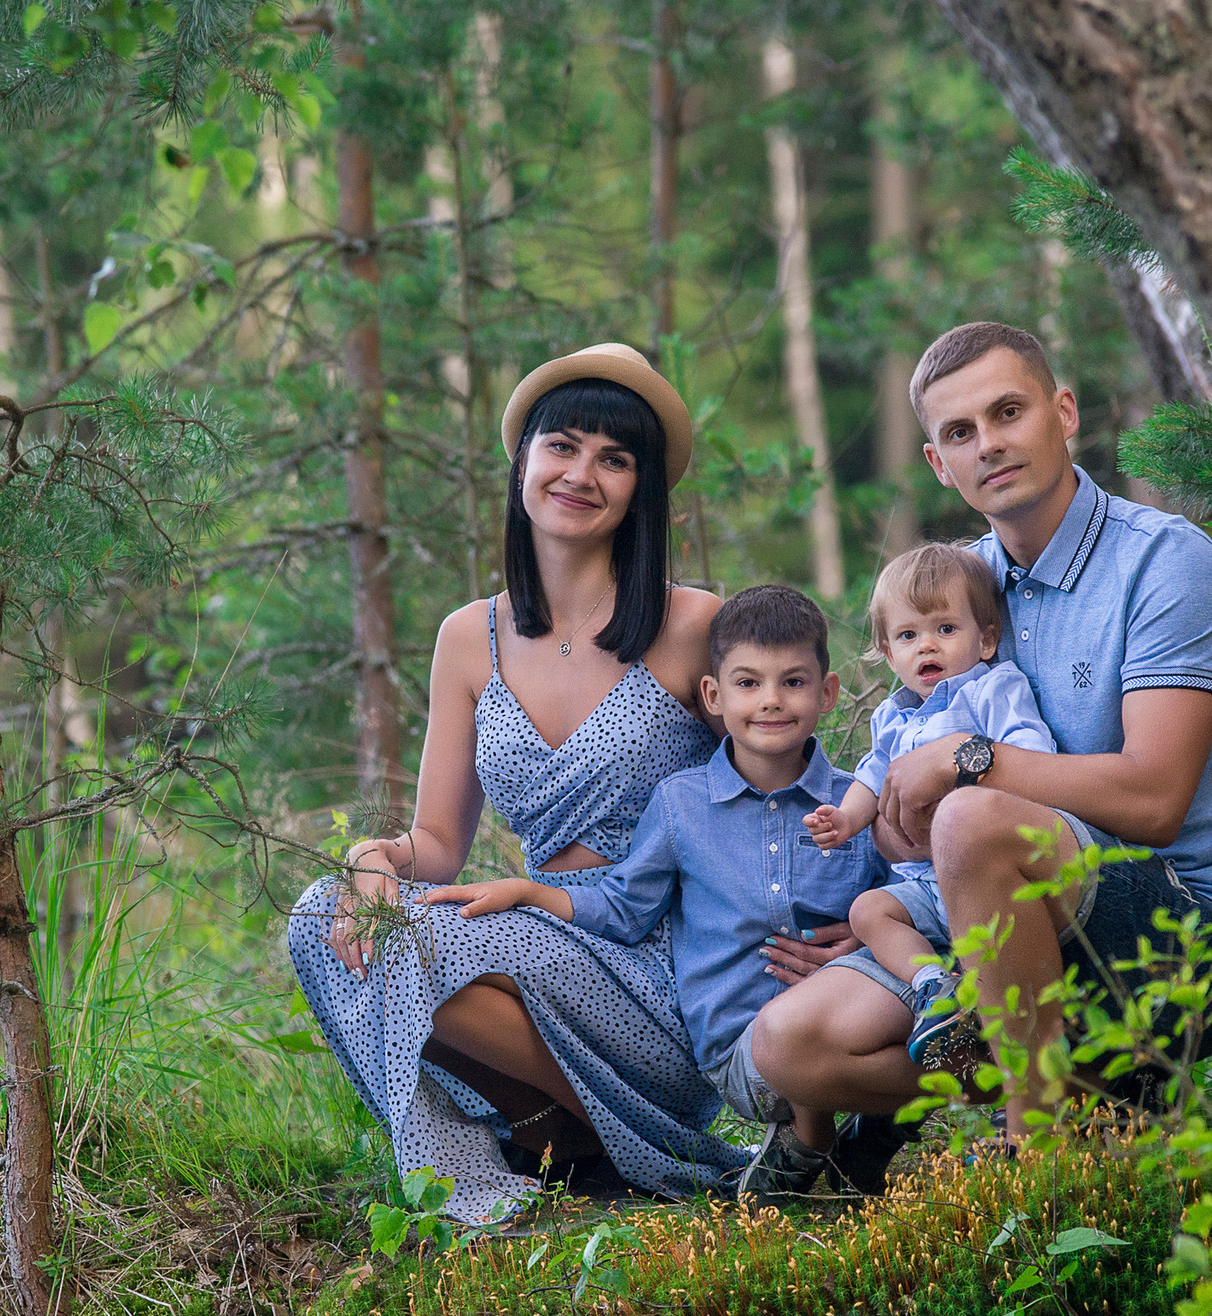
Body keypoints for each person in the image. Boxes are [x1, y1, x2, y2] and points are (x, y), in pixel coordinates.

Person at [285, 345, 854, 1223]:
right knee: (323, 918)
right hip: (538, 931)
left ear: (640, 489)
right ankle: (513, 1159)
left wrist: (849, 926)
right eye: (562, 445)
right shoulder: (467, 638)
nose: (581, 474)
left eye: (614, 458)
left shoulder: (693, 624)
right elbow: (438, 844)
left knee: (426, 943)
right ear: (525, 461)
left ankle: (630, 1138)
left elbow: (797, 783)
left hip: (666, 960)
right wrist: (371, 857)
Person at [748, 320, 1212, 1143]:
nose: (989, 444)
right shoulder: (951, 593)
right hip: (998, 928)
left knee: (971, 814)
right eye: (960, 432)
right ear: (939, 463)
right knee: (791, 1043)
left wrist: (965, 764)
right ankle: (1101, 1088)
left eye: (1008, 412)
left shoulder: (1164, 564)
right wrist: (895, 846)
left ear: (1063, 412)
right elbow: (904, 800)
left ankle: (1035, 1143)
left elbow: (1154, 801)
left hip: (1185, 935)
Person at [424, 585, 895, 1200]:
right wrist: (530, 893)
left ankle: (921, 1105)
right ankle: (822, 1132)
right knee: (793, 1043)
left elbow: (909, 903)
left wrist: (868, 938)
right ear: (713, 696)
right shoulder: (681, 806)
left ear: (827, 693)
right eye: (748, 683)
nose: (772, 700)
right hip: (743, 1050)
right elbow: (624, 907)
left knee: (920, 996)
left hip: (846, 1021)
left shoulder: (858, 807)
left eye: (794, 683)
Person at [803, 543, 1054, 1056]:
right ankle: (935, 987)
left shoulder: (991, 691)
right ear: (889, 654)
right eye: (908, 636)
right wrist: (846, 819)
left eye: (945, 628)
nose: (927, 647)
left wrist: (964, 777)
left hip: (987, 879)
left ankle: (1010, 1029)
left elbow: (1032, 754)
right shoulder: (892, 717)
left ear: (987, 639)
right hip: (923, 886)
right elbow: (873, 776)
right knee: (868, 911)